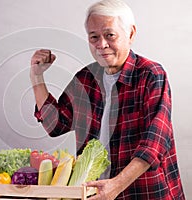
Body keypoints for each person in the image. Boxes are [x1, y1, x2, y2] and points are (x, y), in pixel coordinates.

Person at [30, 0, 185, 199]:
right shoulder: (85, 78)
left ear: (130, 33)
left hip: (146, 192)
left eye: (110, 35)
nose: (101, 45)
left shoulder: (151, 74)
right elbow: (55, 125)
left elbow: (154, 143)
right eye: (94, 37)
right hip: (96, 192)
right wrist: (36, 76)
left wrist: (116, 185)